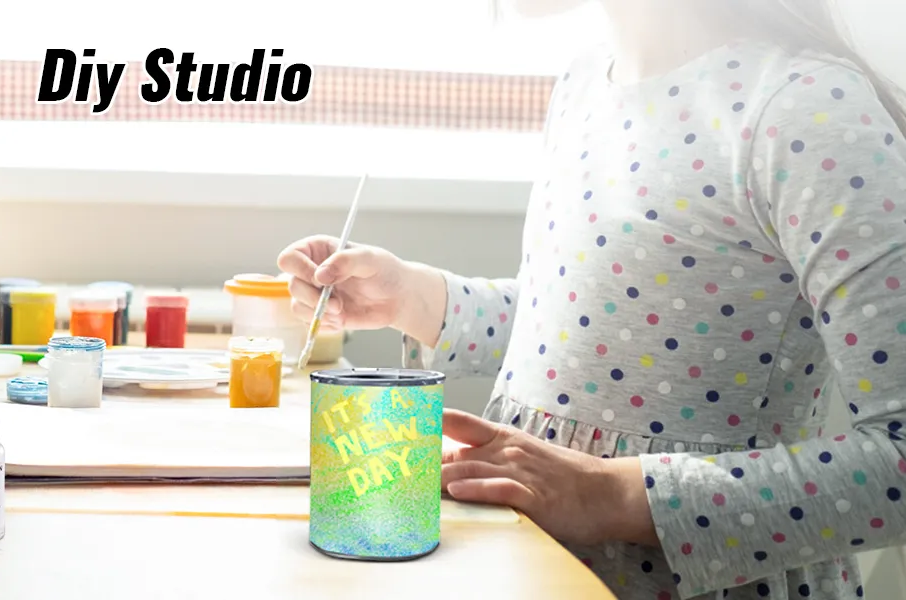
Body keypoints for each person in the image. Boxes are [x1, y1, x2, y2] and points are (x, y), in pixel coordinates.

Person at [278, 1, 906, 598]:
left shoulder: (806, 110)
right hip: (535, 568)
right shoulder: (585, 83)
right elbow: (595, 329)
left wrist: (608, 494)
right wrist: (414, 297)